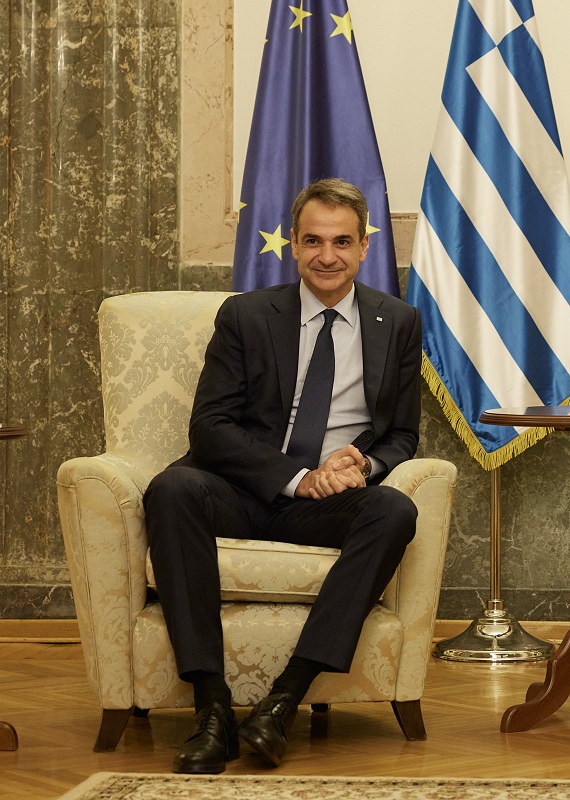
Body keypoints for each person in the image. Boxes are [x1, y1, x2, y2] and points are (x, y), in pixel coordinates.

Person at [145, 178, 422, 774]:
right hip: (244, 491)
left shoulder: (397, 321)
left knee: (394, 510)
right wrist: (298, 476)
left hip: (327, 503)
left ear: (364, 245)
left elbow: (401, 435)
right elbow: (210, 427)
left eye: (342, 241)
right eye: (313, 241)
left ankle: (282, 702)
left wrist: (362, 465)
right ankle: (212, 709)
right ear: (293, 245)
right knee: (171, 488)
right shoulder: (246, 316)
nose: (328, 256)